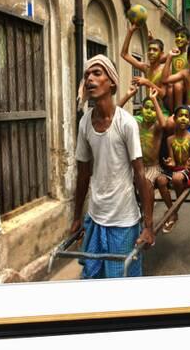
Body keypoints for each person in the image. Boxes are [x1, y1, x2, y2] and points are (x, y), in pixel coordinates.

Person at [72, 54, 155, 279]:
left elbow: (140, 175)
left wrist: (148, 226)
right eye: (87, 74)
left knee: (120, 285)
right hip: (96, 217)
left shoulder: (126, 123)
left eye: (97, 73)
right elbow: (83, 175)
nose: (90, 78)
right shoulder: (84, 123)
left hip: (123, 220)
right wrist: (77, 217)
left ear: (112, 83)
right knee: (91, 278)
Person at [119, 86, 174, 231]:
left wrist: (155, 99)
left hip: (153, 167)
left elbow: (163, 124)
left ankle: (148, 222)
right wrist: (128, 95)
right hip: (136, 166)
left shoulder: (157, 126)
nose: (149, 111)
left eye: (153, 109)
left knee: (146, 183)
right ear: (141, 109)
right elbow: (115, 114)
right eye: (146, 108)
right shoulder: (135, 123)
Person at [162, 105, 190, 232]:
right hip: (175, 169)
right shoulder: (169, 139)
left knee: (177, 178)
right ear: (175, 119)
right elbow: (172, 159)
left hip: (186, 171)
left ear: (189, 120)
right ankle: (172, 210)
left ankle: (173, 212)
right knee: (161, 180)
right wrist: (169, 162)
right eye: (180, 116)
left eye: (186, 116)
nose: (183, 118)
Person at [120, 22, 167, 100]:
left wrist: (147, 82)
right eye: (149, 50)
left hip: (162, 110)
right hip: (148, 108)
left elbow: (163, 94)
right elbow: (124, 54)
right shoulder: (146, 68)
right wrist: (130, 31)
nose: (151, 52)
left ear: (161, 54)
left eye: (155, 50)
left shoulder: (164, 70)